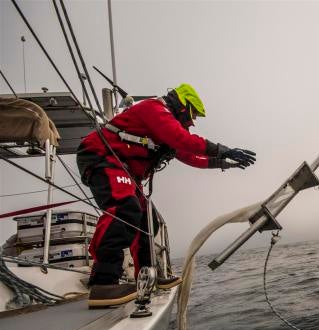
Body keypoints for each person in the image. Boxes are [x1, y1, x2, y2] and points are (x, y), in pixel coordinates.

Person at [76, 84, 255, 307]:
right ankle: (103, 283)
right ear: (182, 106)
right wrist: (222, 149)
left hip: (123, 168)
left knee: (148, 221)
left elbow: (189, 156)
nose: (192, 122)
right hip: (101, 156)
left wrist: (224, 163)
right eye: (192, 115)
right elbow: (184, 140)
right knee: (125, 208)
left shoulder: (163, 130)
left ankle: (147, 277)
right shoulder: (155, 110)